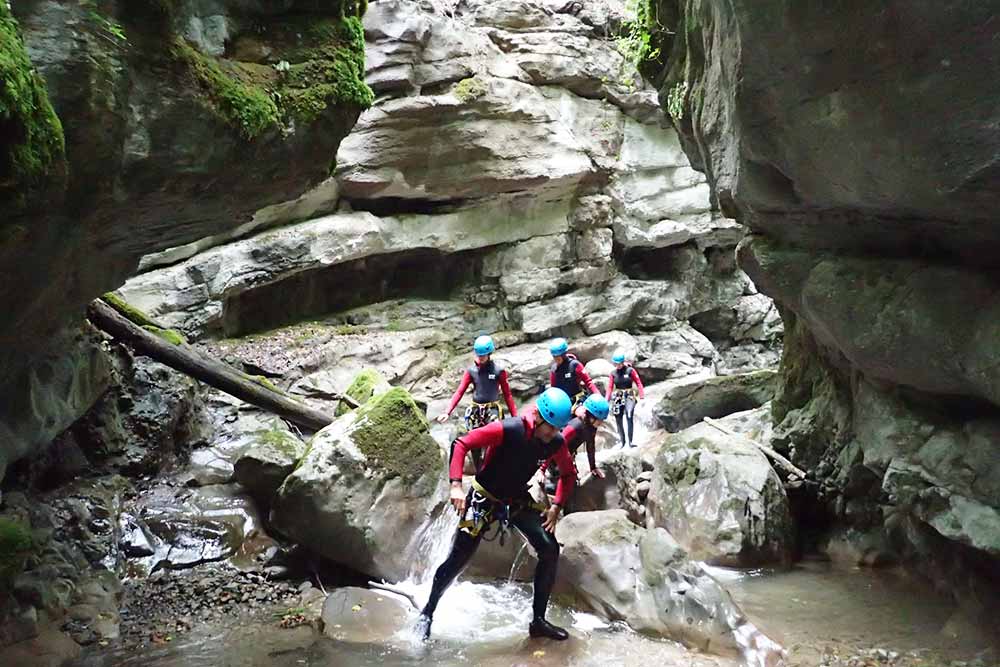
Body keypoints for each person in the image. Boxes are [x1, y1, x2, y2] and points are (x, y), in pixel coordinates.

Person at [417, 388, 577, 642]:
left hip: (515, 500)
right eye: (551, 428)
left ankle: (538, 621)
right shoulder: (510, 429)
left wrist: (556, 506)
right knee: (458, 559)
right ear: (537, 416)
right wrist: (456, 485)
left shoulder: (554, 442)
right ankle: (427, 612)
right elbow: (461, 443)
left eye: (558, 429)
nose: (553, 434)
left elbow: (568, 474)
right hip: (484, 497)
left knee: (549, 549)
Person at [436, 335, 518, 473]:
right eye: (479, 355)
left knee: (495, 440)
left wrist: (516, 417)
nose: (480, 358)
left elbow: (507, 394)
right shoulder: (472, 371)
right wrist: (447, 412)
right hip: (476, 410)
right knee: (474, 441)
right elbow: (460, 391)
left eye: (483, 355)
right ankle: (479, 471)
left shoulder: (498, 371)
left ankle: (493, 469)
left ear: (489, 353)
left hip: (492, 409)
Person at [542, 394, 609, 495]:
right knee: (562, 485)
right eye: (600, 419)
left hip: (567, 455)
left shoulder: (591, 427)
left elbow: (590, 446)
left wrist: (593, 468)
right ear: (591, 416)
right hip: (555, 457)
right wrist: (542, 468)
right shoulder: (576, 426)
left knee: (573, 483)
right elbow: (554, 443)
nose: (602, 422)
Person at [606, 350, 644, 447]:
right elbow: (610, 387)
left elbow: (638, 383)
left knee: (629, 415)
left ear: (623, 362)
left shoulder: (630, 371)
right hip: (618, 396)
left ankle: (630, 442)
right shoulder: (613, 373)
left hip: (629, 395)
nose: (618, 366)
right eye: (616, 364)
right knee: (618, 418)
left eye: (619, 364)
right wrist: (607, 399)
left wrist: (642, 396)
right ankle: (622, 442)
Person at [548, 337, 599, 411]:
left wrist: (597, 395)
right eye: (554, 357)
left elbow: (588, 382)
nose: (556, 359)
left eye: (558, 356)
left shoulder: (574, 365)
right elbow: (553, 389)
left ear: (564, 354)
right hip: (562, 403)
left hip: (577, 400)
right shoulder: (554, 369)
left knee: (581, 414)